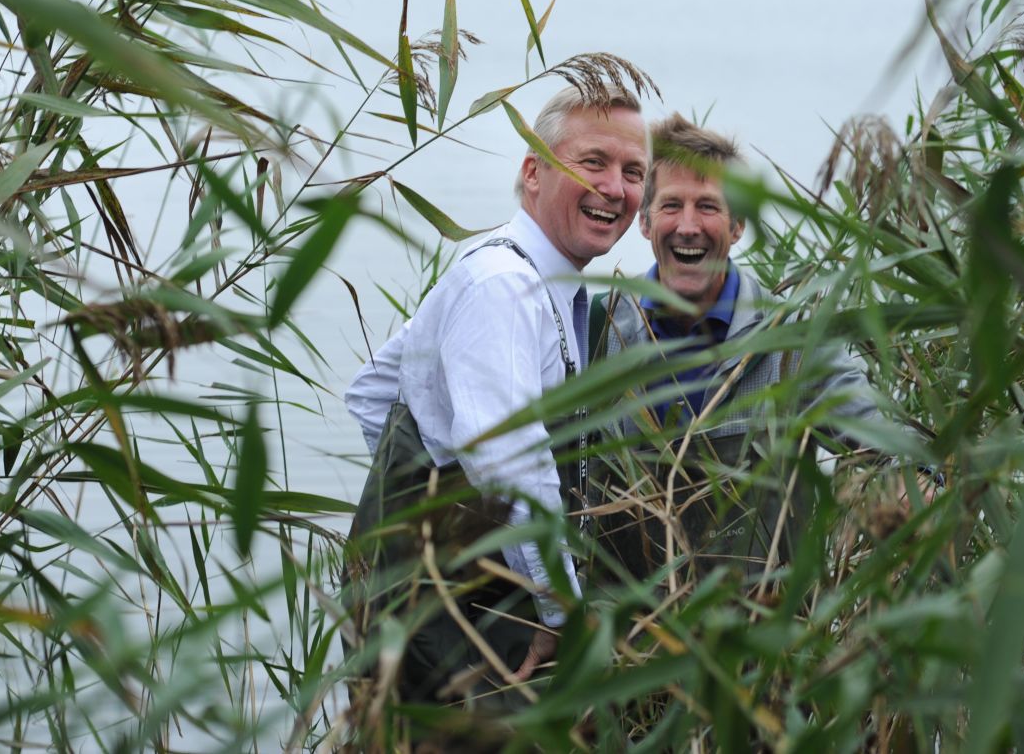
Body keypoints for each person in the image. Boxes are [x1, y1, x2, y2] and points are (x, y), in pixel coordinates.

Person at [342, 83, 648, 705]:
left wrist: (416, 507)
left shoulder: (521, 276)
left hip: (453, 599)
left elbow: (374, 391)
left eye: (633, 172)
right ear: (533, 172)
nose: (615, 188)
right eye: (593, 161)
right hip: (452, 623)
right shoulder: (502, 287)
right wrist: (561, 613)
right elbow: (511, 468)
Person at [590, 114, 885, 586]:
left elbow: (878, 440)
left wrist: (918, 481)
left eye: (708, 206)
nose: (688, 226)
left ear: (738, 225)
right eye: (671, 205)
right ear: (644, 222)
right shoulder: (599, 330)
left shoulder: (792, 340)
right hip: (629, 626)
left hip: (764, 624)